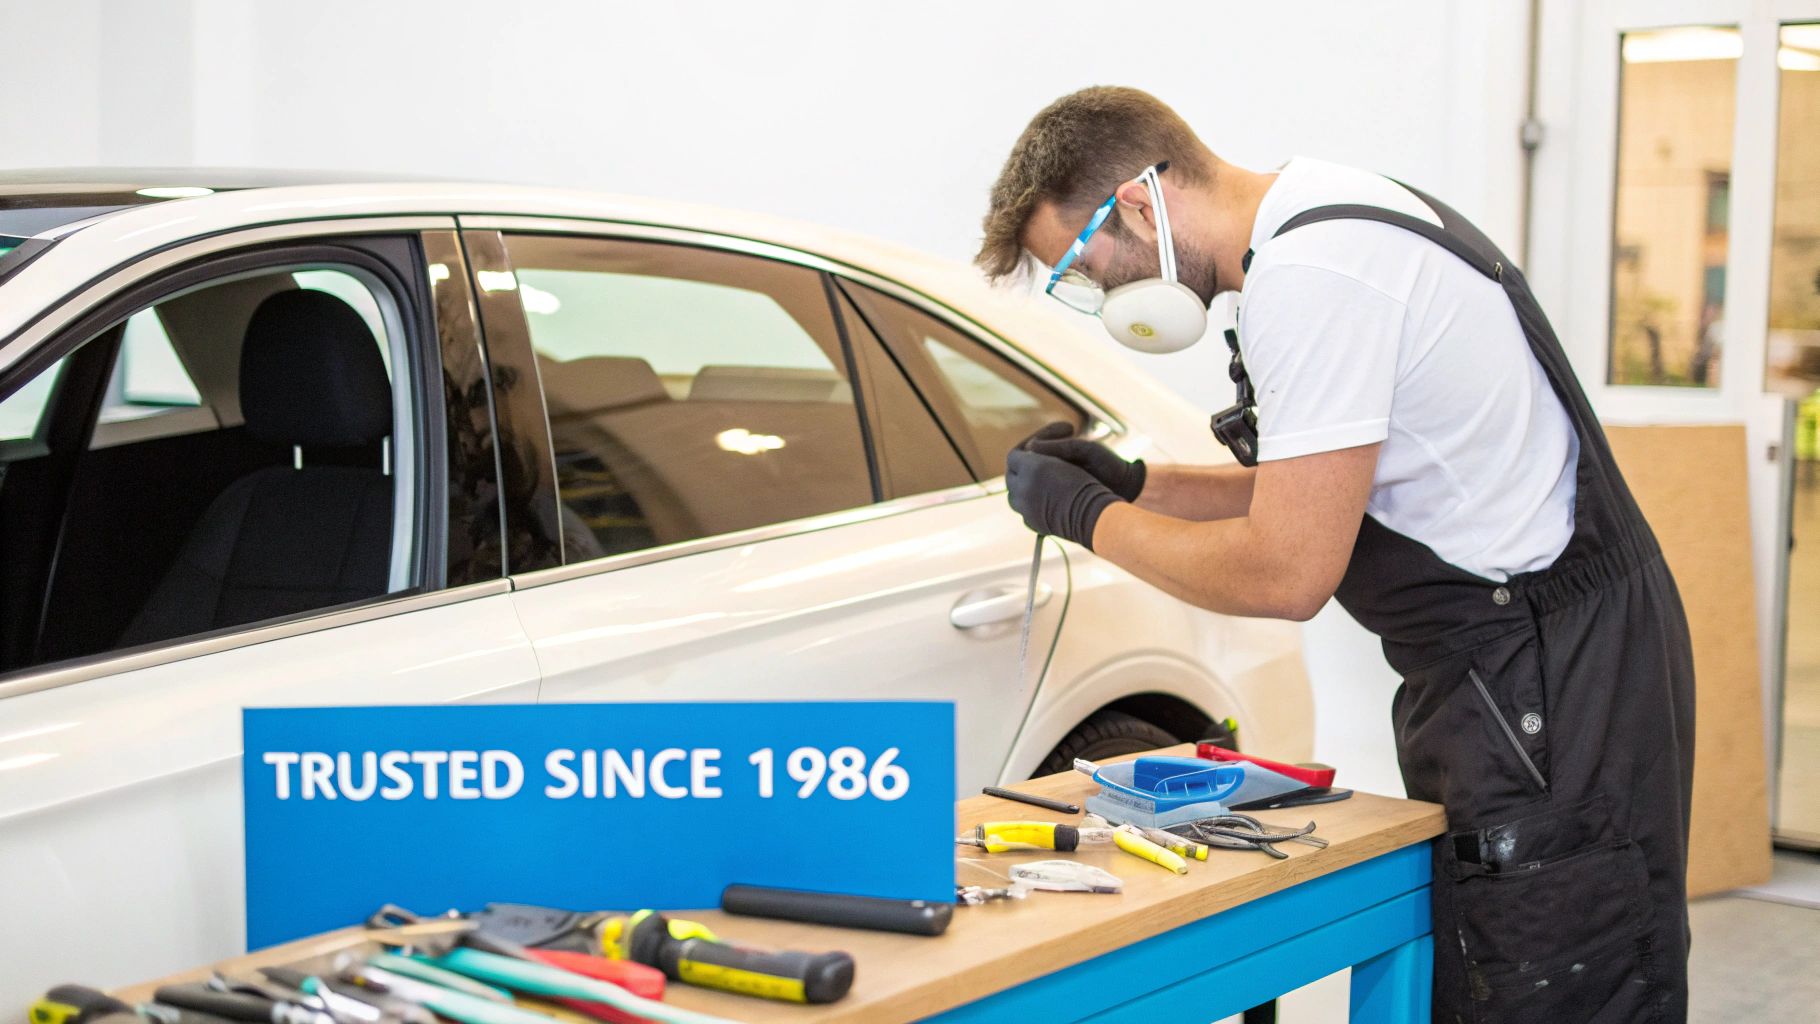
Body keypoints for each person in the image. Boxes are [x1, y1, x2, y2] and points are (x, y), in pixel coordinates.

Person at [978, 86, 1695, 1022]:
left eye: (1081, 265)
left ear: (1140, 206)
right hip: (1539, 657)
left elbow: (1286, 571)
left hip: (1542, 681)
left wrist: (1087, 520)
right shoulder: (1331, 216)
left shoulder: (1314, 281)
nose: (1102, 295)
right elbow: (1320, 490)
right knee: (1520, 964)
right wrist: (1134, 482)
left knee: (1555, 977)